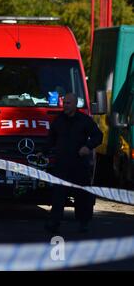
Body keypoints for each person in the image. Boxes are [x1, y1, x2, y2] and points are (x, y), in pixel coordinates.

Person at [39, 93, 103, 234]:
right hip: (61, 164)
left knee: (82, 195)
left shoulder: (84, 120)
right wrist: (42, 152)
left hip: (79, 164)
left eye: (68, 103)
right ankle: (54, 223)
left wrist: (88, 146)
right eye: (64, 103)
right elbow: (51, 139)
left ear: (75, 105)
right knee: (58, 195)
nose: (65, 106)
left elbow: (98, 136)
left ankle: (83, 223)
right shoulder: (58, 121)